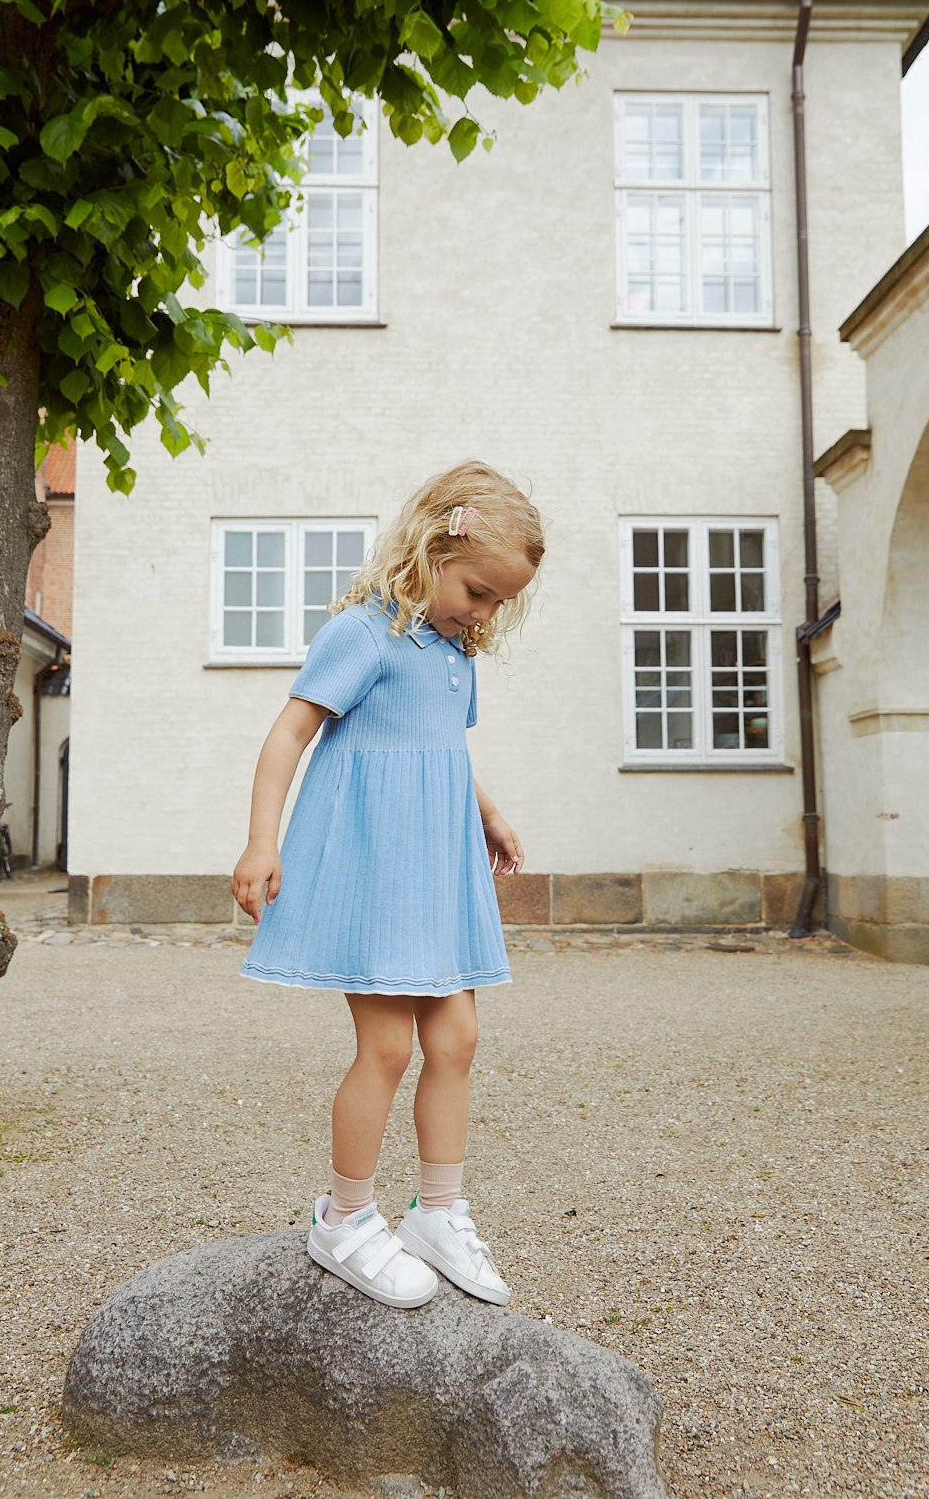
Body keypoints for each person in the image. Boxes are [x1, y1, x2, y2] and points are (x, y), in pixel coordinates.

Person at [231, 461, 544, 1310]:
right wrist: (263, 841)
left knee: (457, 1042)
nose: (484, 613)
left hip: (436, 869)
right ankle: (343, 1217)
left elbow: (442, 745)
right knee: (389, 1048)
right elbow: (287, 736)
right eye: (478, 591)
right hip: (378, 869)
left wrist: (486, 811)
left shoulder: (450, 652)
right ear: (432, 545)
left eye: (498, 604)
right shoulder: (364, 635)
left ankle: (438, 1211)